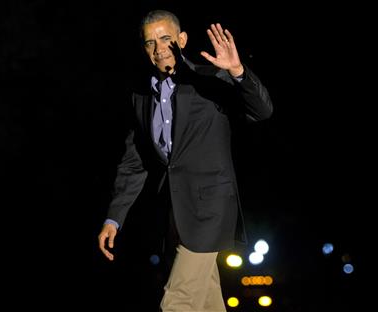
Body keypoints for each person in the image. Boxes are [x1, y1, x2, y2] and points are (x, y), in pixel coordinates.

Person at [98, 9, 273, 311]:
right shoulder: (141, 97)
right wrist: (114, 217)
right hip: (175, 215)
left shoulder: (209, 80)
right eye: (150, 43)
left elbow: (262, 110)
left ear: (181, 39)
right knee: (207, 304)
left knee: (177, 302)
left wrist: (237, 72)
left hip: (210, 211)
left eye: (165, 39)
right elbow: (135, 161)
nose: (159, 47)